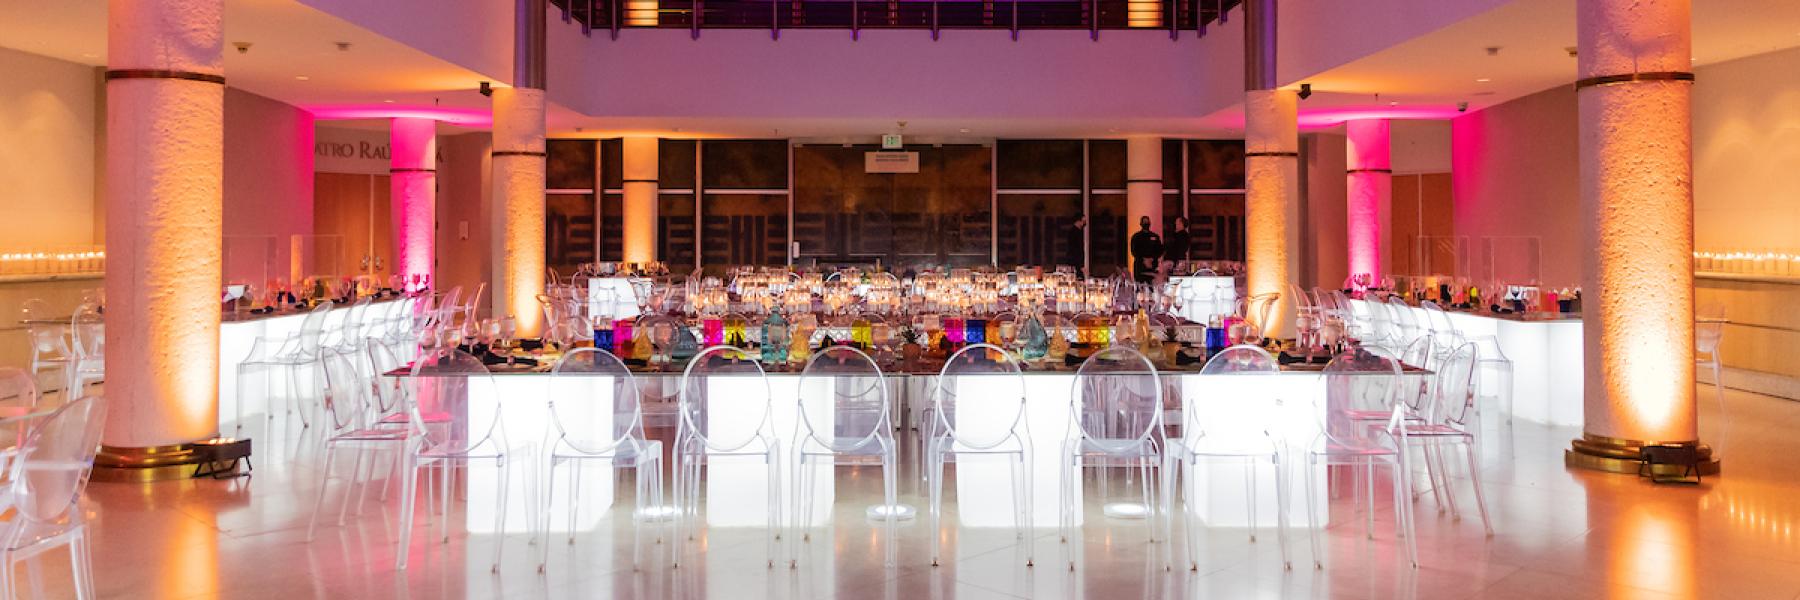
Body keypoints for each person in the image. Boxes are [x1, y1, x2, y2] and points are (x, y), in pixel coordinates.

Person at [1128, 216, 1162, 284]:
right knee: (1140, 287)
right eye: (1144, 222)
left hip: (1153, 266)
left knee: (1153, 287)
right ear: (1141, 224)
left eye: (1147, 222)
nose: (1146, 223)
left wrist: (1152, 259)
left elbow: (1159, 250)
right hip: (1140, 266)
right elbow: (1134, 251)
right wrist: (1144, 259)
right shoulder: (1136, 237)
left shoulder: (1155, 236)